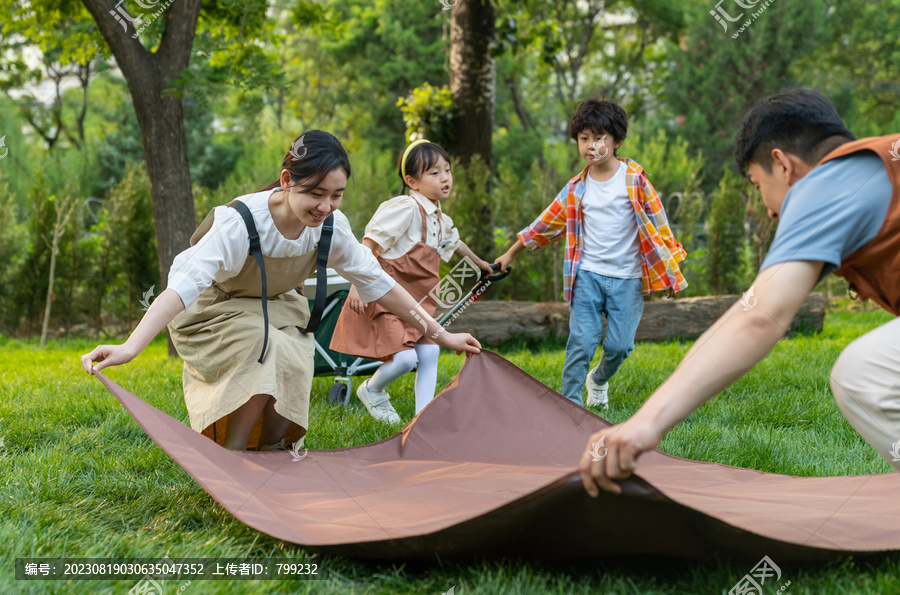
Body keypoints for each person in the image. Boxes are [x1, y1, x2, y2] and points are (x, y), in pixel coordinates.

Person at [580, 88, 900, 496]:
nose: (768, 209)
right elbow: (750, 306)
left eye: (756, 183)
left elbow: (760, 317)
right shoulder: (873, 167)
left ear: (782, 164)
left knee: (864, 372)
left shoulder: (822, 185)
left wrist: (645, 425)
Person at [80, 131, 481, 451]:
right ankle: (232, 453)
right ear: (288, 181)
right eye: (316, 193)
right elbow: (183, 288)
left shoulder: (332, 226)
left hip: (278, 306)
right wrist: (130, 347)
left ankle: (268, 449)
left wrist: (441, 335)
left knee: (289, 354)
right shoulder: (240, 221)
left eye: (336, 195)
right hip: (215, 307)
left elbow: (382, 286)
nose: (326, 206)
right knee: (263, 346)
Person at [495, 98, 687, 409]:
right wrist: (511, 253)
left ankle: (597, 380)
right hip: (587, 276)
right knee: (581, 342)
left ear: (616, 141)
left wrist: (669, 273)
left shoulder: (634, 180)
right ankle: (571, 407)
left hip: (628, 280)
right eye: (584, 138)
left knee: (621, 346)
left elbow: (658, 225)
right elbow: (544, 223)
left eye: (599, 138)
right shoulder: (575, 188)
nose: (591, 146)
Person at [330, 139, 492, 423]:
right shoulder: (405, 207)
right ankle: (372, 389)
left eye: (447, 170)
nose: (445, 178)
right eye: (434, 173)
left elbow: (455, 244)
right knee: (406, 359)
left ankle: (423, 419)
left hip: (420, 300)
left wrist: (481, 265)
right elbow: (369, 244)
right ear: (412, 181)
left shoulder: (440, 219)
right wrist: (357, 284)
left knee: (430, 353)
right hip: (388, 296)